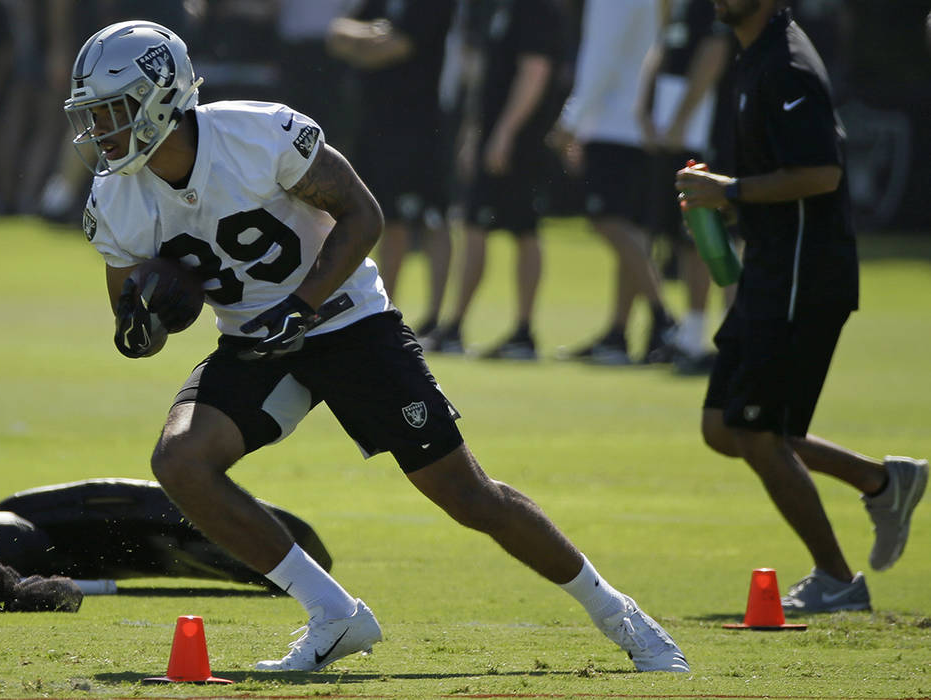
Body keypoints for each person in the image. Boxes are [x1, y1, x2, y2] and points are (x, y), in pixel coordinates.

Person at [67, 20, 689, 672]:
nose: (100, 131)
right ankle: (334, 614)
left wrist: (300, 305)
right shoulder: (117, 197)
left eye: (112, 112)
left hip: (345, 317)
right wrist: (144, 324)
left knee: (467, 495)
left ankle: (620, 614)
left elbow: (363, 212)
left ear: (162, 98)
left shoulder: (254, 133)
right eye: (93, 115)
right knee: (181, 460)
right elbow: (136, 310)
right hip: (255, 339)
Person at [676, 0, 927, 613]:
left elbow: (821, 173)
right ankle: (883, 482)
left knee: (759, 431)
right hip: (771, 268)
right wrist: (724, 201)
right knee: (725, 427)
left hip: (801, 276)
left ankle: (837, 580)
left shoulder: (788, 64)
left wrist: (729, 190)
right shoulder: (755, 57)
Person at [427, 0, 564, 360]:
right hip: (497, 137)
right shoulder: (499, 9)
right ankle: (455, 327)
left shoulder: (538, 9)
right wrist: (476, 133)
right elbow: (489, 77)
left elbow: (535, 71)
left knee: (523, 230)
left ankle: (520, 332)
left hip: (521, 142)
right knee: (475, 225)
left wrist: (505, 134)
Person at [550, 0, 676, 366]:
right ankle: (618, 334)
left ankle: (663, 318)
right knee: (629, 228)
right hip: (636, 123)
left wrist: (571, 121)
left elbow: (600, 56)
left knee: (608, 222)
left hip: (615, 123)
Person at [326, 0, 454, 339]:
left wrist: (361, 46)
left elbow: (395, 48)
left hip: (420, 127)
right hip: (374, 125)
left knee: (427, 219)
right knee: (384, 216)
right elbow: (335, 33)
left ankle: (435, 320)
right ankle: (384, 313)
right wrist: (371, 34)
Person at [636, 0, 732, 374]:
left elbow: (714, 53)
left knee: (714, 235)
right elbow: (663, 46)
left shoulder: (713, 7)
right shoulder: (679, 5)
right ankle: (692, 337)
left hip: (704, 134)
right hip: (675, 133)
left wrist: (679, 119)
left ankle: (732, 336)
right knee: (688, 235)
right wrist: (644, 107)